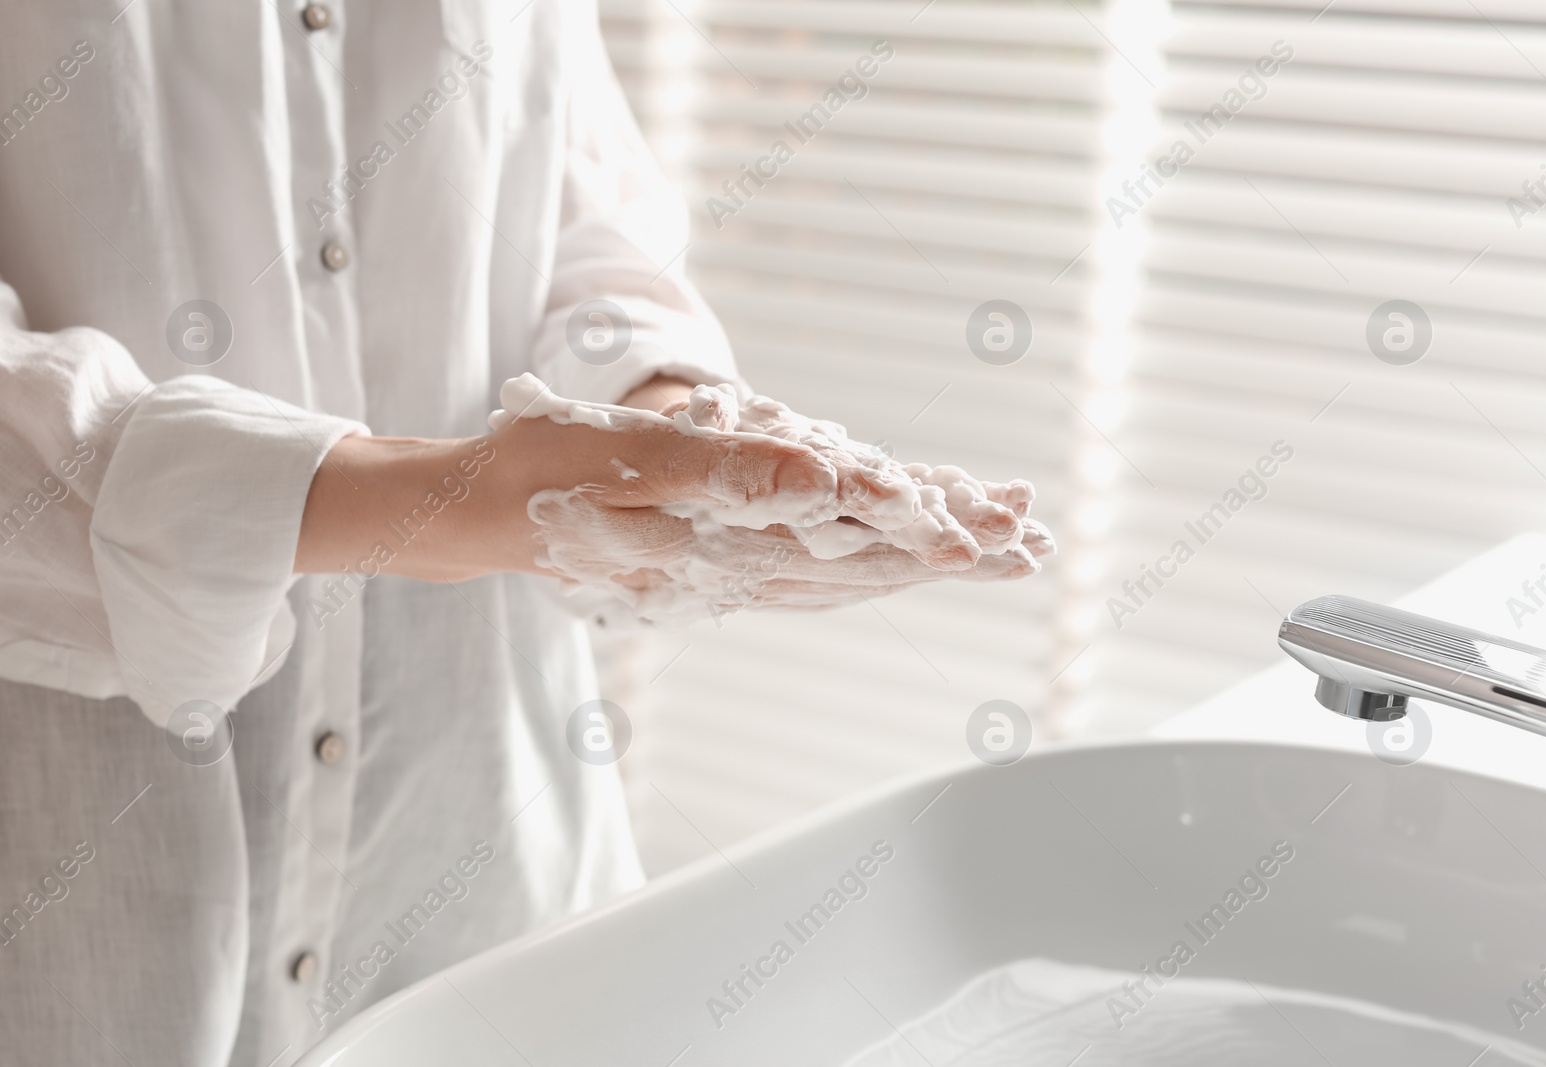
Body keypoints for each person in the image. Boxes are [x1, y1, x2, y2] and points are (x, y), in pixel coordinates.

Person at [0, 4, 1046, 1064]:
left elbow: (580, 218)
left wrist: (676, 425)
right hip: (86, 945)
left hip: (504, 907)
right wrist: (442, 500)